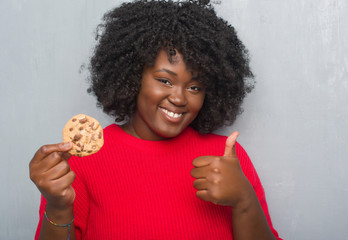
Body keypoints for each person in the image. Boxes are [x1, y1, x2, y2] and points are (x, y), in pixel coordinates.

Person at [29, 0, 282, 239]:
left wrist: (244, 200)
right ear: (133, 76)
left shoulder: (227, 158)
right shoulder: (82, 163)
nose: (179, 98)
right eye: (164, 81)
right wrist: (58, 206)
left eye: (195, 87)